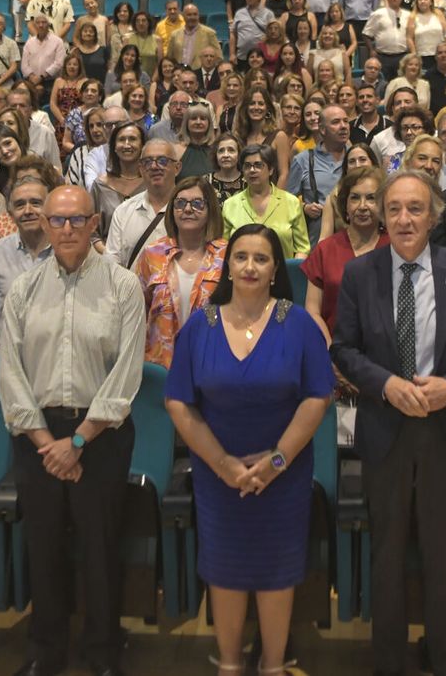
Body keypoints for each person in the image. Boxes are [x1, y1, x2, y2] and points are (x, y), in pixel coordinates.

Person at [331, 171, 446, 676]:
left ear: (434, 215)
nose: (404, 219)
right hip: (386, 428)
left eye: (416, 208)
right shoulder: (361, 274)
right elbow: (344, 348)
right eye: (395, 208)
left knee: (443, 553)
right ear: (383, 214)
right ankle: (389, 661)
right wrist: (385, 384)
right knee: (387, 554)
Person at [165, 223, 334, 674]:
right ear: (228, 264)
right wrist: (222, 465)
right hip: (218, 474)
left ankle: (274, 664)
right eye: (241, 257)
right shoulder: (201, 324)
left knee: (278, 570)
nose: (250, 266)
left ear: (276, 267)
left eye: (261, 258)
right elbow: (179, 401)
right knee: (225, 567)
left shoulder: (297, 323)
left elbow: (318, 396)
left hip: (285, 472)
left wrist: (277, 460)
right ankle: (230, 664)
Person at [0, 185, 145, 676]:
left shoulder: (124, 287)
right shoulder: (22, 288)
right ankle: (46, 652)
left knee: (100, 547)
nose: (65, 230)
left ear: (93, 224)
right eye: (55, 220)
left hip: (99, 436)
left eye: (75, 220)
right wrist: (47, 443)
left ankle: (103, 651)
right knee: (43, 546)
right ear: (43, 223)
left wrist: (79, 440)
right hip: (38, 437)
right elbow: (11, 374)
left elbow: (126, 374)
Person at [137, 176, 228, 369]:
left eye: (197, 204)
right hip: (161, 366)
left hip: (213, 364)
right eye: (180, 203)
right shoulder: (152, 254)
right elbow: (138, 314)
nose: (187, 209)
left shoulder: (227, 255)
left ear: (210, 209)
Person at [304, 166, 389, 339]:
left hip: (386, 354)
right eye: (355, 198)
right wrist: (329, 351)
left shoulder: (396, 248)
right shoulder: (325, 250)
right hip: (332, 350)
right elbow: (312, 312)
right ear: (345, 205)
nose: (362, 206)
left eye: (371, 198)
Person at [0, 161, 59, 342]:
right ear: (10, 212)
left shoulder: (65, 250)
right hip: (9, 354)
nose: (28, 211)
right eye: (20, 205)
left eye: (36, 203)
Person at [105, 137, 183, 269]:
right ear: (140, 169)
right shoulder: (123, 212)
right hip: (133, 288)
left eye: (162, 161)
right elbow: (111, 264)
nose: (154, 166)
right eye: (147, 162)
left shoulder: (191, 210)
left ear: (177, 168)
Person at [222, 144, 309, 259]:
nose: (252, 170)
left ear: (271, 169)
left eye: (258, 165)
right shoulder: (230, 205)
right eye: (247, 166)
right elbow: (223, 248)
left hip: (281, 274)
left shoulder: (291, 202)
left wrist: (292, 271)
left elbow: (302, 248)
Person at [287, 102, 349, 246]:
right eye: (336, 122)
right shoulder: (302, 160)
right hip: (317, 242)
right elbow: (286, 201)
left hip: (353, 241)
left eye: (346, 121)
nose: (343, 126)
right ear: (322, 129)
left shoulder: (356, 158)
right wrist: (304, 207)